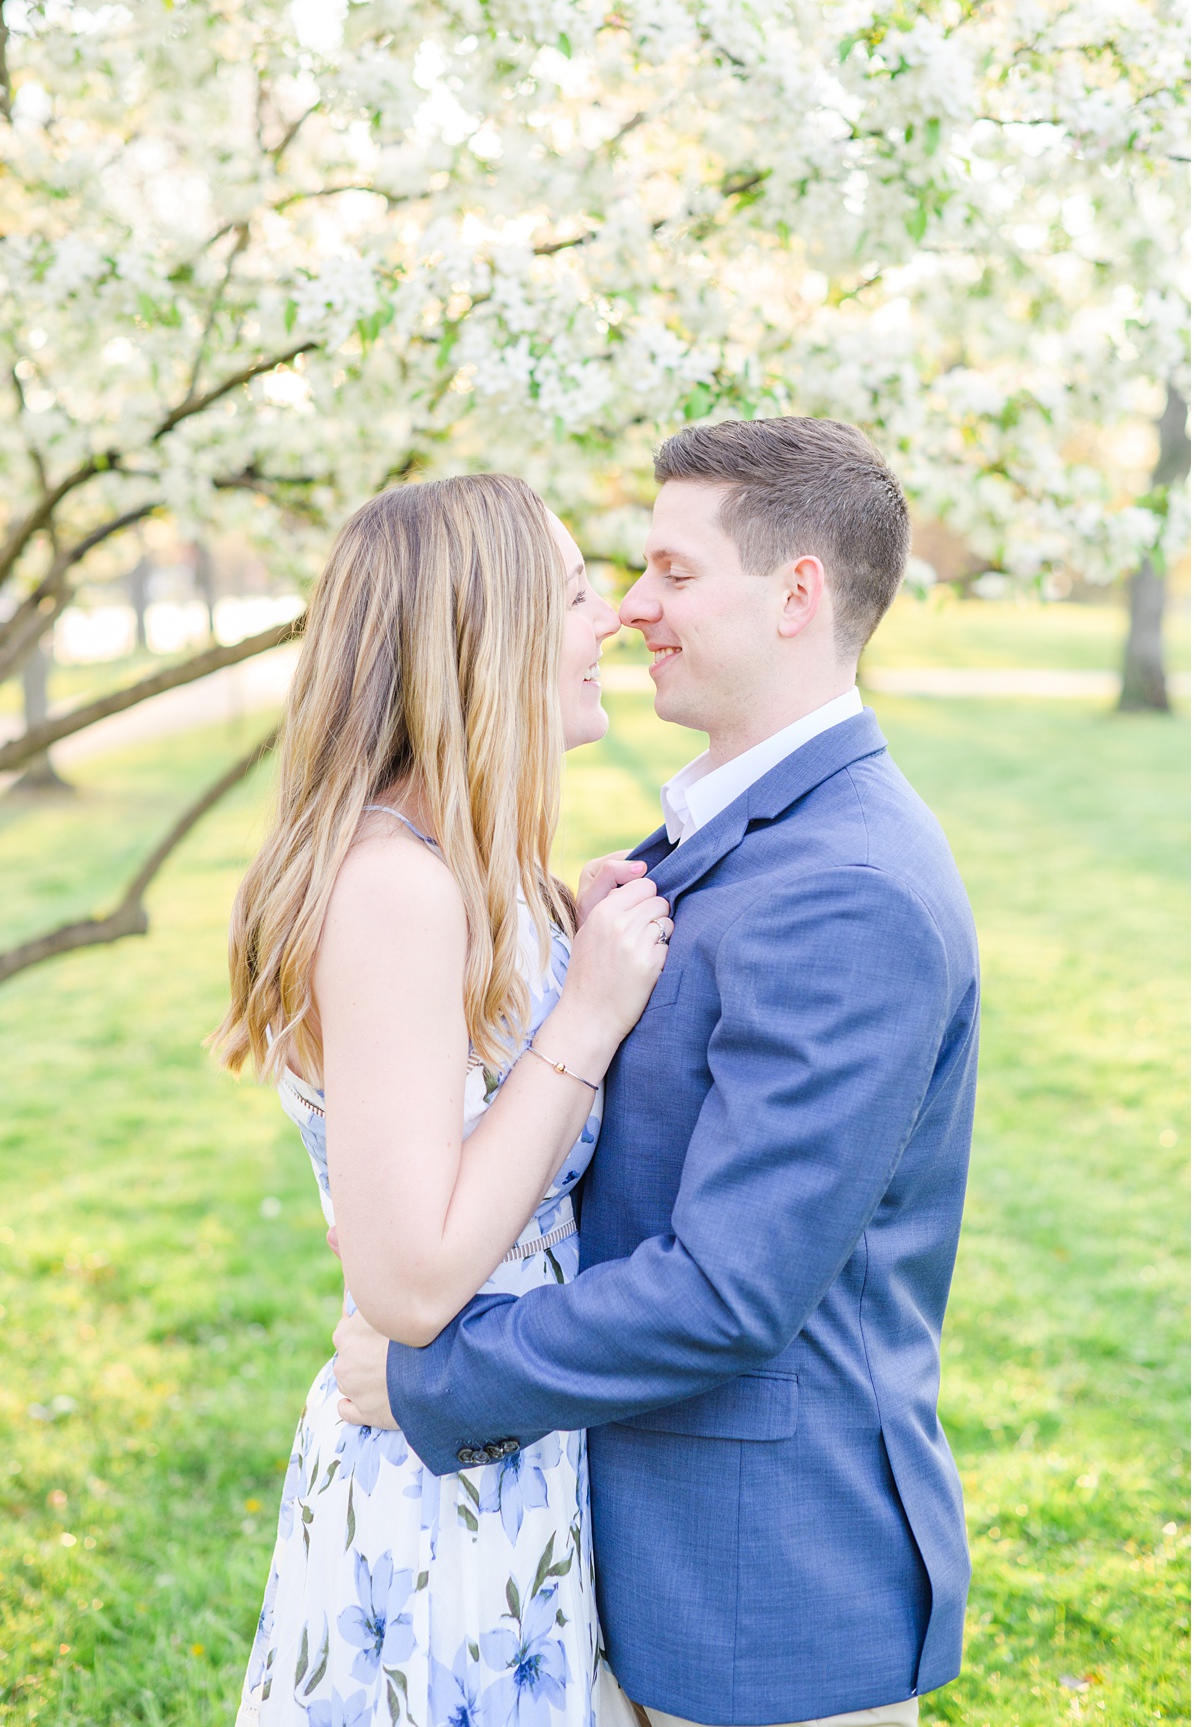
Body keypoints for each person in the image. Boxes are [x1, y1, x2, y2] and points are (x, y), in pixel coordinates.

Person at [331, 417, 980, 1727]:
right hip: (640, 1555)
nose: (633, 611)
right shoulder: (728, 831)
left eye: (674, 574)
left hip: (759, 1597)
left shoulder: (847, 886)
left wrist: (425, 1381)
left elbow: (733, 1293)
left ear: (797, 591)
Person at [216, 471, 672, 1727]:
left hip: (512, 1440)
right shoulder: (392, 891)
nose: (612, 622)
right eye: (577, 596)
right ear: (487, 642)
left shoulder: (484, 873)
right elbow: (411, 1282)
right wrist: (583, 1019)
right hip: (442, 1496)